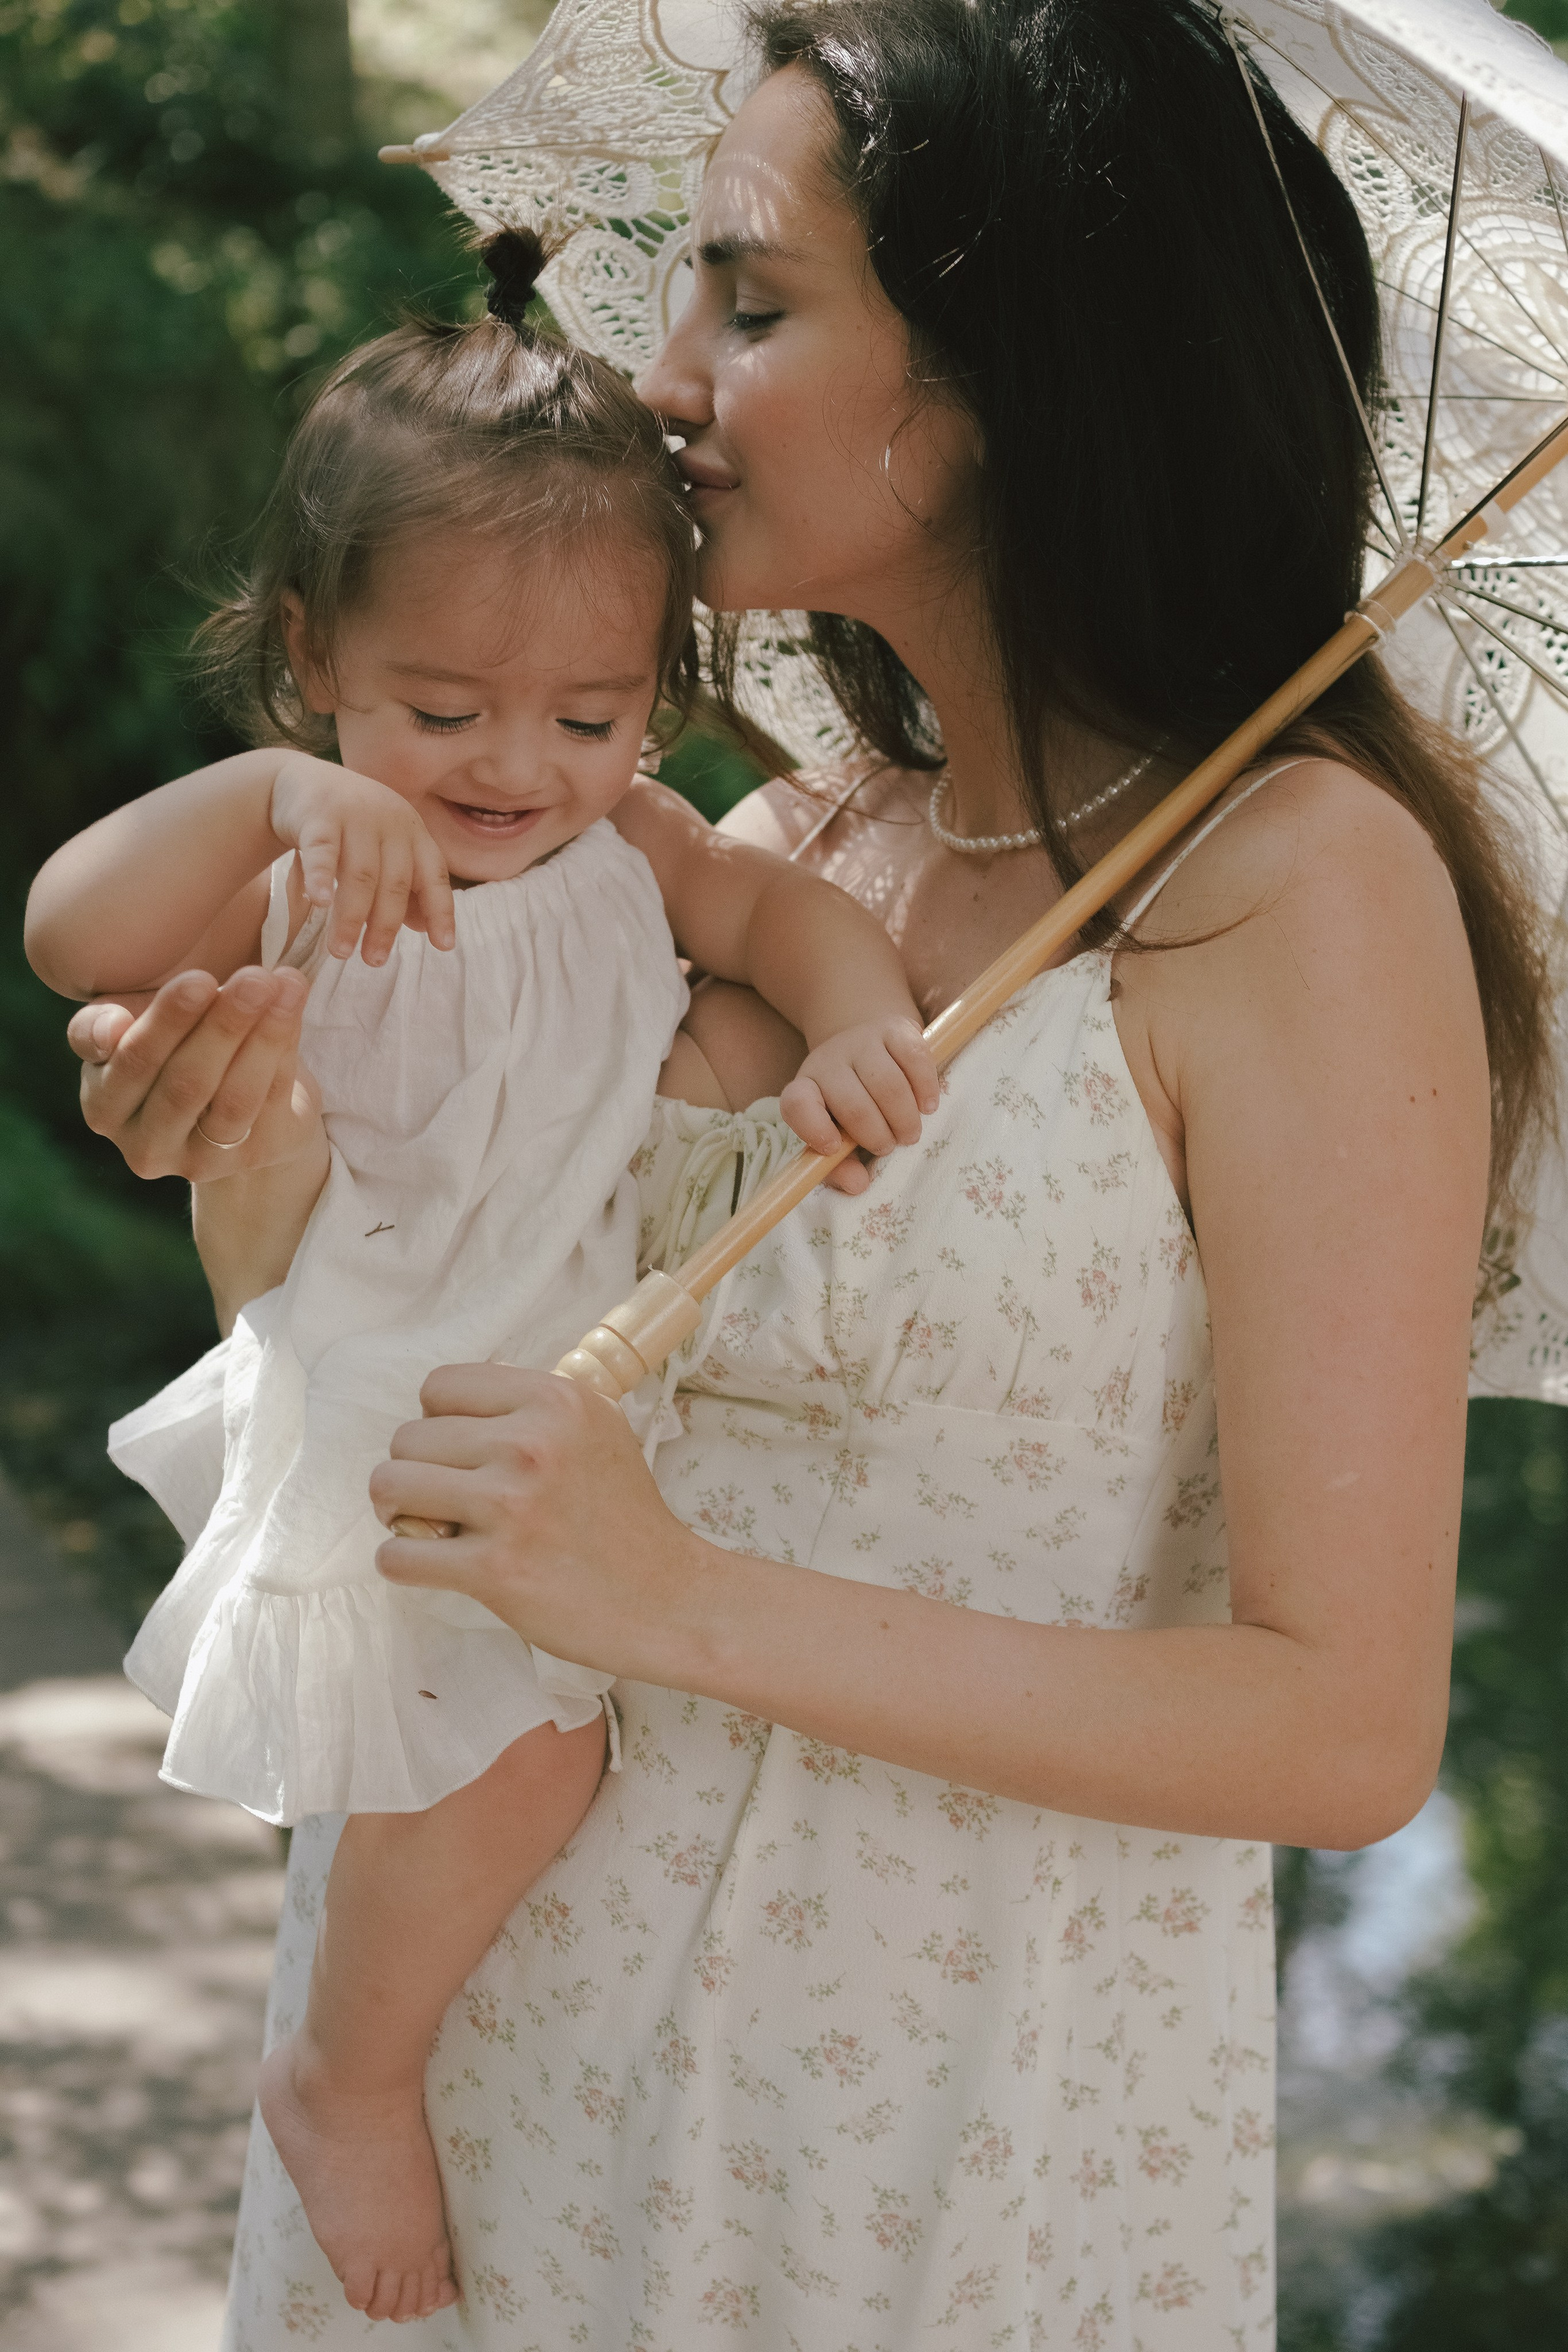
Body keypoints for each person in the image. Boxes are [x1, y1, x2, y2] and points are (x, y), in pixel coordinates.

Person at [64, 0, 1557, 2342]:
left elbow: (1342, 1729)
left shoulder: (1301, 887)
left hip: (911, 2140)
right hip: (470, 2086)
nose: (664, 375)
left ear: (1010, 375)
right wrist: (240, 1155)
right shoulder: (769, 839)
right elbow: (430, 1332)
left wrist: (675, 1603)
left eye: (752, 303)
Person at [26, 224, 939, 2328]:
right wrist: (274, 796)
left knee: (538, 1739)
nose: (514, 765)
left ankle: (352, 2044)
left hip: (530, 1393)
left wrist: (868, 1007)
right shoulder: (322, 850)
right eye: (441, 707)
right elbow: (77, 932)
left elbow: (773, 925)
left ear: (662, 700)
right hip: (380, 1367)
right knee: (532, 1756)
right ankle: (344, 2069)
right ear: (313, 656)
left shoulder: (636, 850)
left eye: (592, 712)